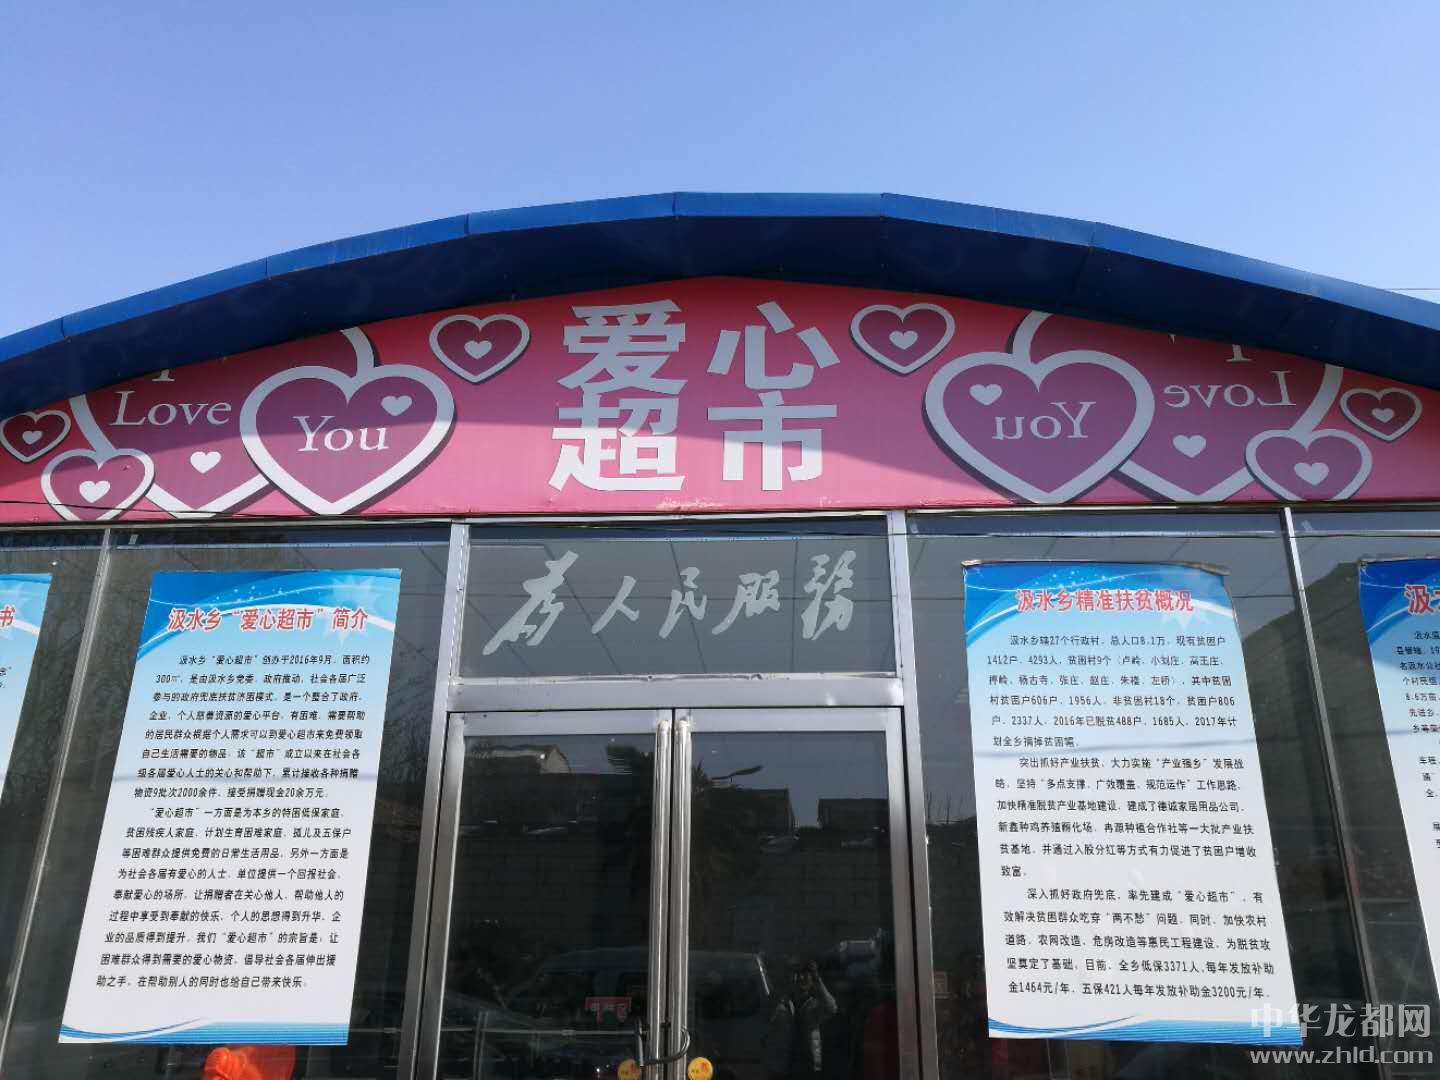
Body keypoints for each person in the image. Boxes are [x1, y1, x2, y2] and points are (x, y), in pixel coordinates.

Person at [761, 960, 836, 1079]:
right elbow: (766, 1015)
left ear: (812, 979)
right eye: (796, 974)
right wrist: (782, 986)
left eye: (805, 974)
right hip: (782, 1068)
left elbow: (831, 1008)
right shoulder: (780, 1004)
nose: (800, 978)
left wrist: (818, 980)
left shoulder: (814, 1005)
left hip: (807, 1067)